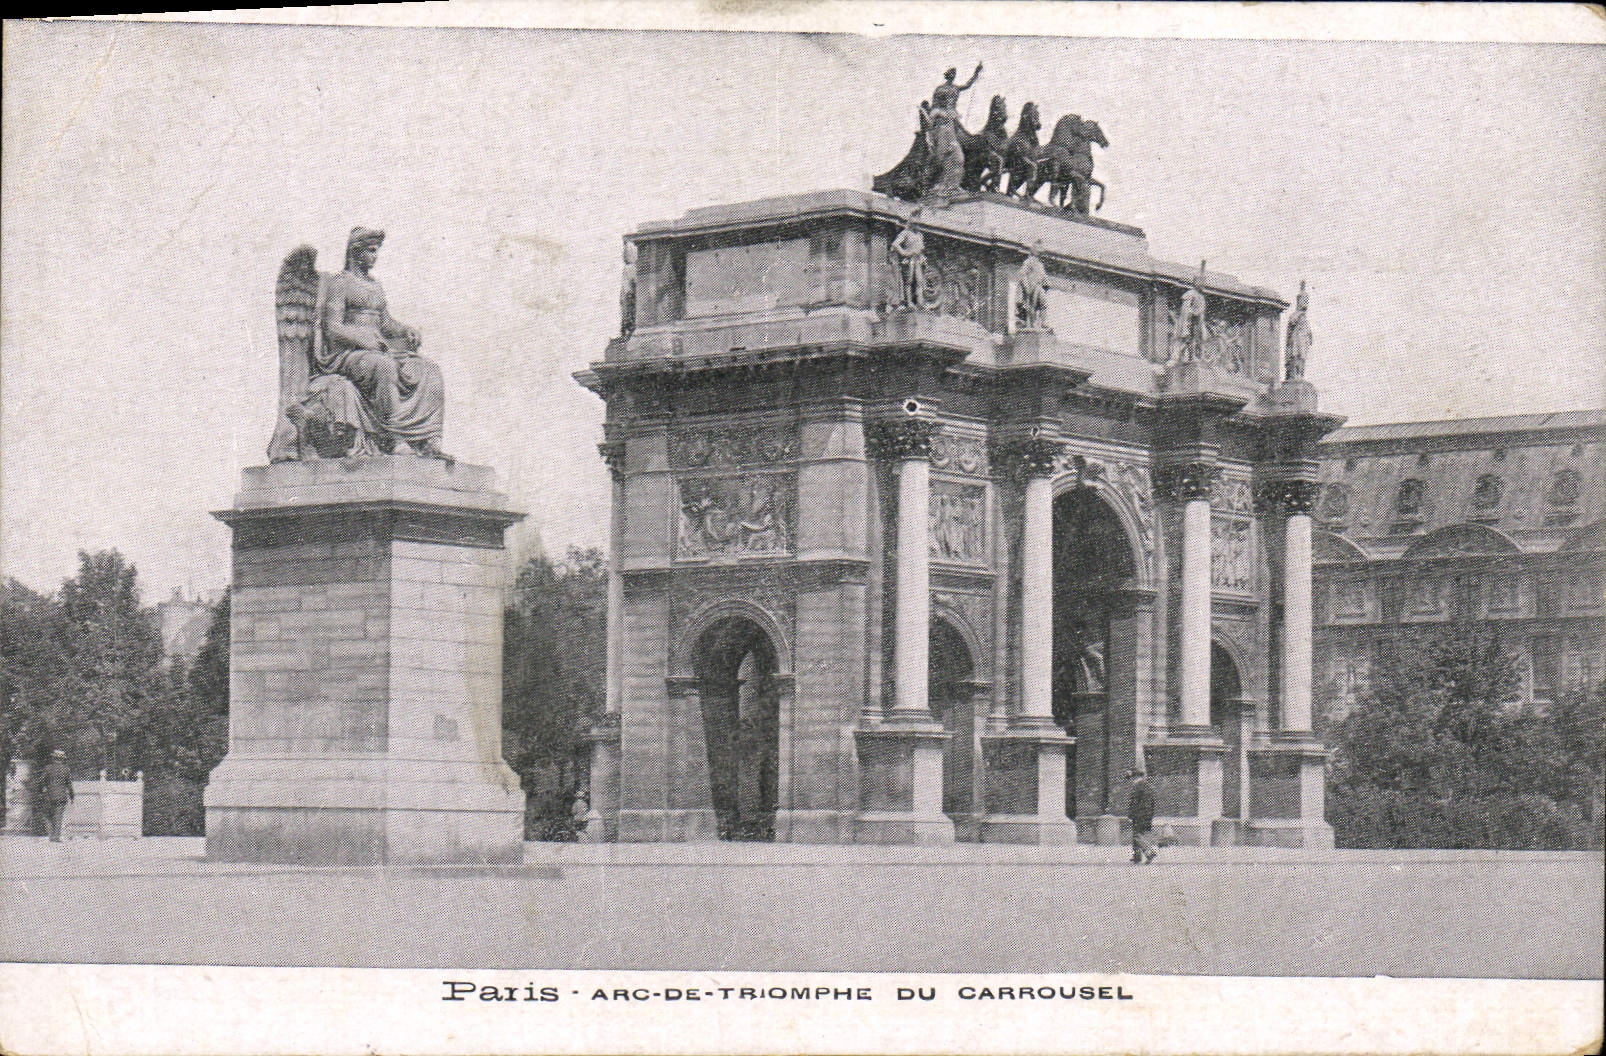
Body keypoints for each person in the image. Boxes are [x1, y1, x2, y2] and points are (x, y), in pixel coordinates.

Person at [319, 227, 448, 458]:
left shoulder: (375, 286)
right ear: (355, 252)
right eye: (371, 251)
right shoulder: (340, 284)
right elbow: (332, 327)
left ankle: (429, 439)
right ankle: (395, 438)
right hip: (348, 355)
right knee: (384, 367)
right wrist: (362, 338)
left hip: (378, 350)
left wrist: (405, 330)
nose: (375, 256)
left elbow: (385, 323)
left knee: (429, 369)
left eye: (376, 251)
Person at [890, 211, 926, 308]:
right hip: (909, 260)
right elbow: (895, 244)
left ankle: (920, 302)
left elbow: (921, 248)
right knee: (908, 281)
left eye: (918, 223)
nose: (917, 225)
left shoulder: (919, 235)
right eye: (915, 223)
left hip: (918, 260)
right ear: (911, 223)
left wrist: (922, 257)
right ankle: (908, 302)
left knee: (919, 281)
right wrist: (904, 253)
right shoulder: (905, 233)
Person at [39, 749, 73, 843]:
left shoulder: (48, 768)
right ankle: (56, 837)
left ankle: (51, 834)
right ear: (62, 759)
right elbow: (69, 785)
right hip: (61, 796)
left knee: (47, 815)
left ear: (53, 758)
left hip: (49, 796)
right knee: (58, 816)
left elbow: (41, 781)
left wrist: (42, 790)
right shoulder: (66, 769)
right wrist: (72, 796)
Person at [1126, 766, 1157, 864]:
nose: (1131, 781)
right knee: (1142, 834)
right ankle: (1137, 856)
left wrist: (1131, 815)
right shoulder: (1148, 786)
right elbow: (1152, 802)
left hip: (1139, 815)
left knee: (1137, 835)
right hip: (1148, 815)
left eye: (1131, 778)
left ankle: (1149, 852)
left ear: (1135, 777)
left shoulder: (1137, 787)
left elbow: (1134, 803)